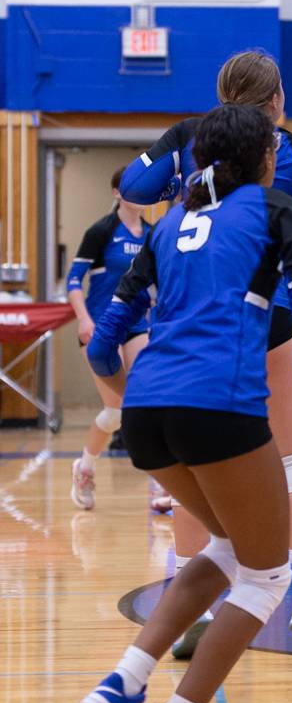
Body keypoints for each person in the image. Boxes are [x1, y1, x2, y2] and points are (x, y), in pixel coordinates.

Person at [79, 104, 292, 703]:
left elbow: (108, 337)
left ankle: (123, 685)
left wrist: (120, 397)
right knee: (268, 575)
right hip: (216, 406)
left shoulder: (169, 222)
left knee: (228, 550)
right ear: (266, 156)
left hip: (147, 411)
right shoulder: (273, 209)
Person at [120, 51, 292, 648]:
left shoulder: (190, 138)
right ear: (277, 99)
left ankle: (191, 606)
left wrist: (176, 171)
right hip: (268, 310)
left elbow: (133, 186)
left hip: (193, 317)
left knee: (199, 464)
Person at [66, 169, 149, 510]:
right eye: (131, 187)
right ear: (117, 191)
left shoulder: (154, 235)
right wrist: (83, 319)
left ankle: (162, 484)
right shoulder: (101, 231)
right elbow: (73, 280)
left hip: (138, 325)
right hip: (102, 326)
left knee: (148, 402)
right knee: (115, 413)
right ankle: (84, 468)